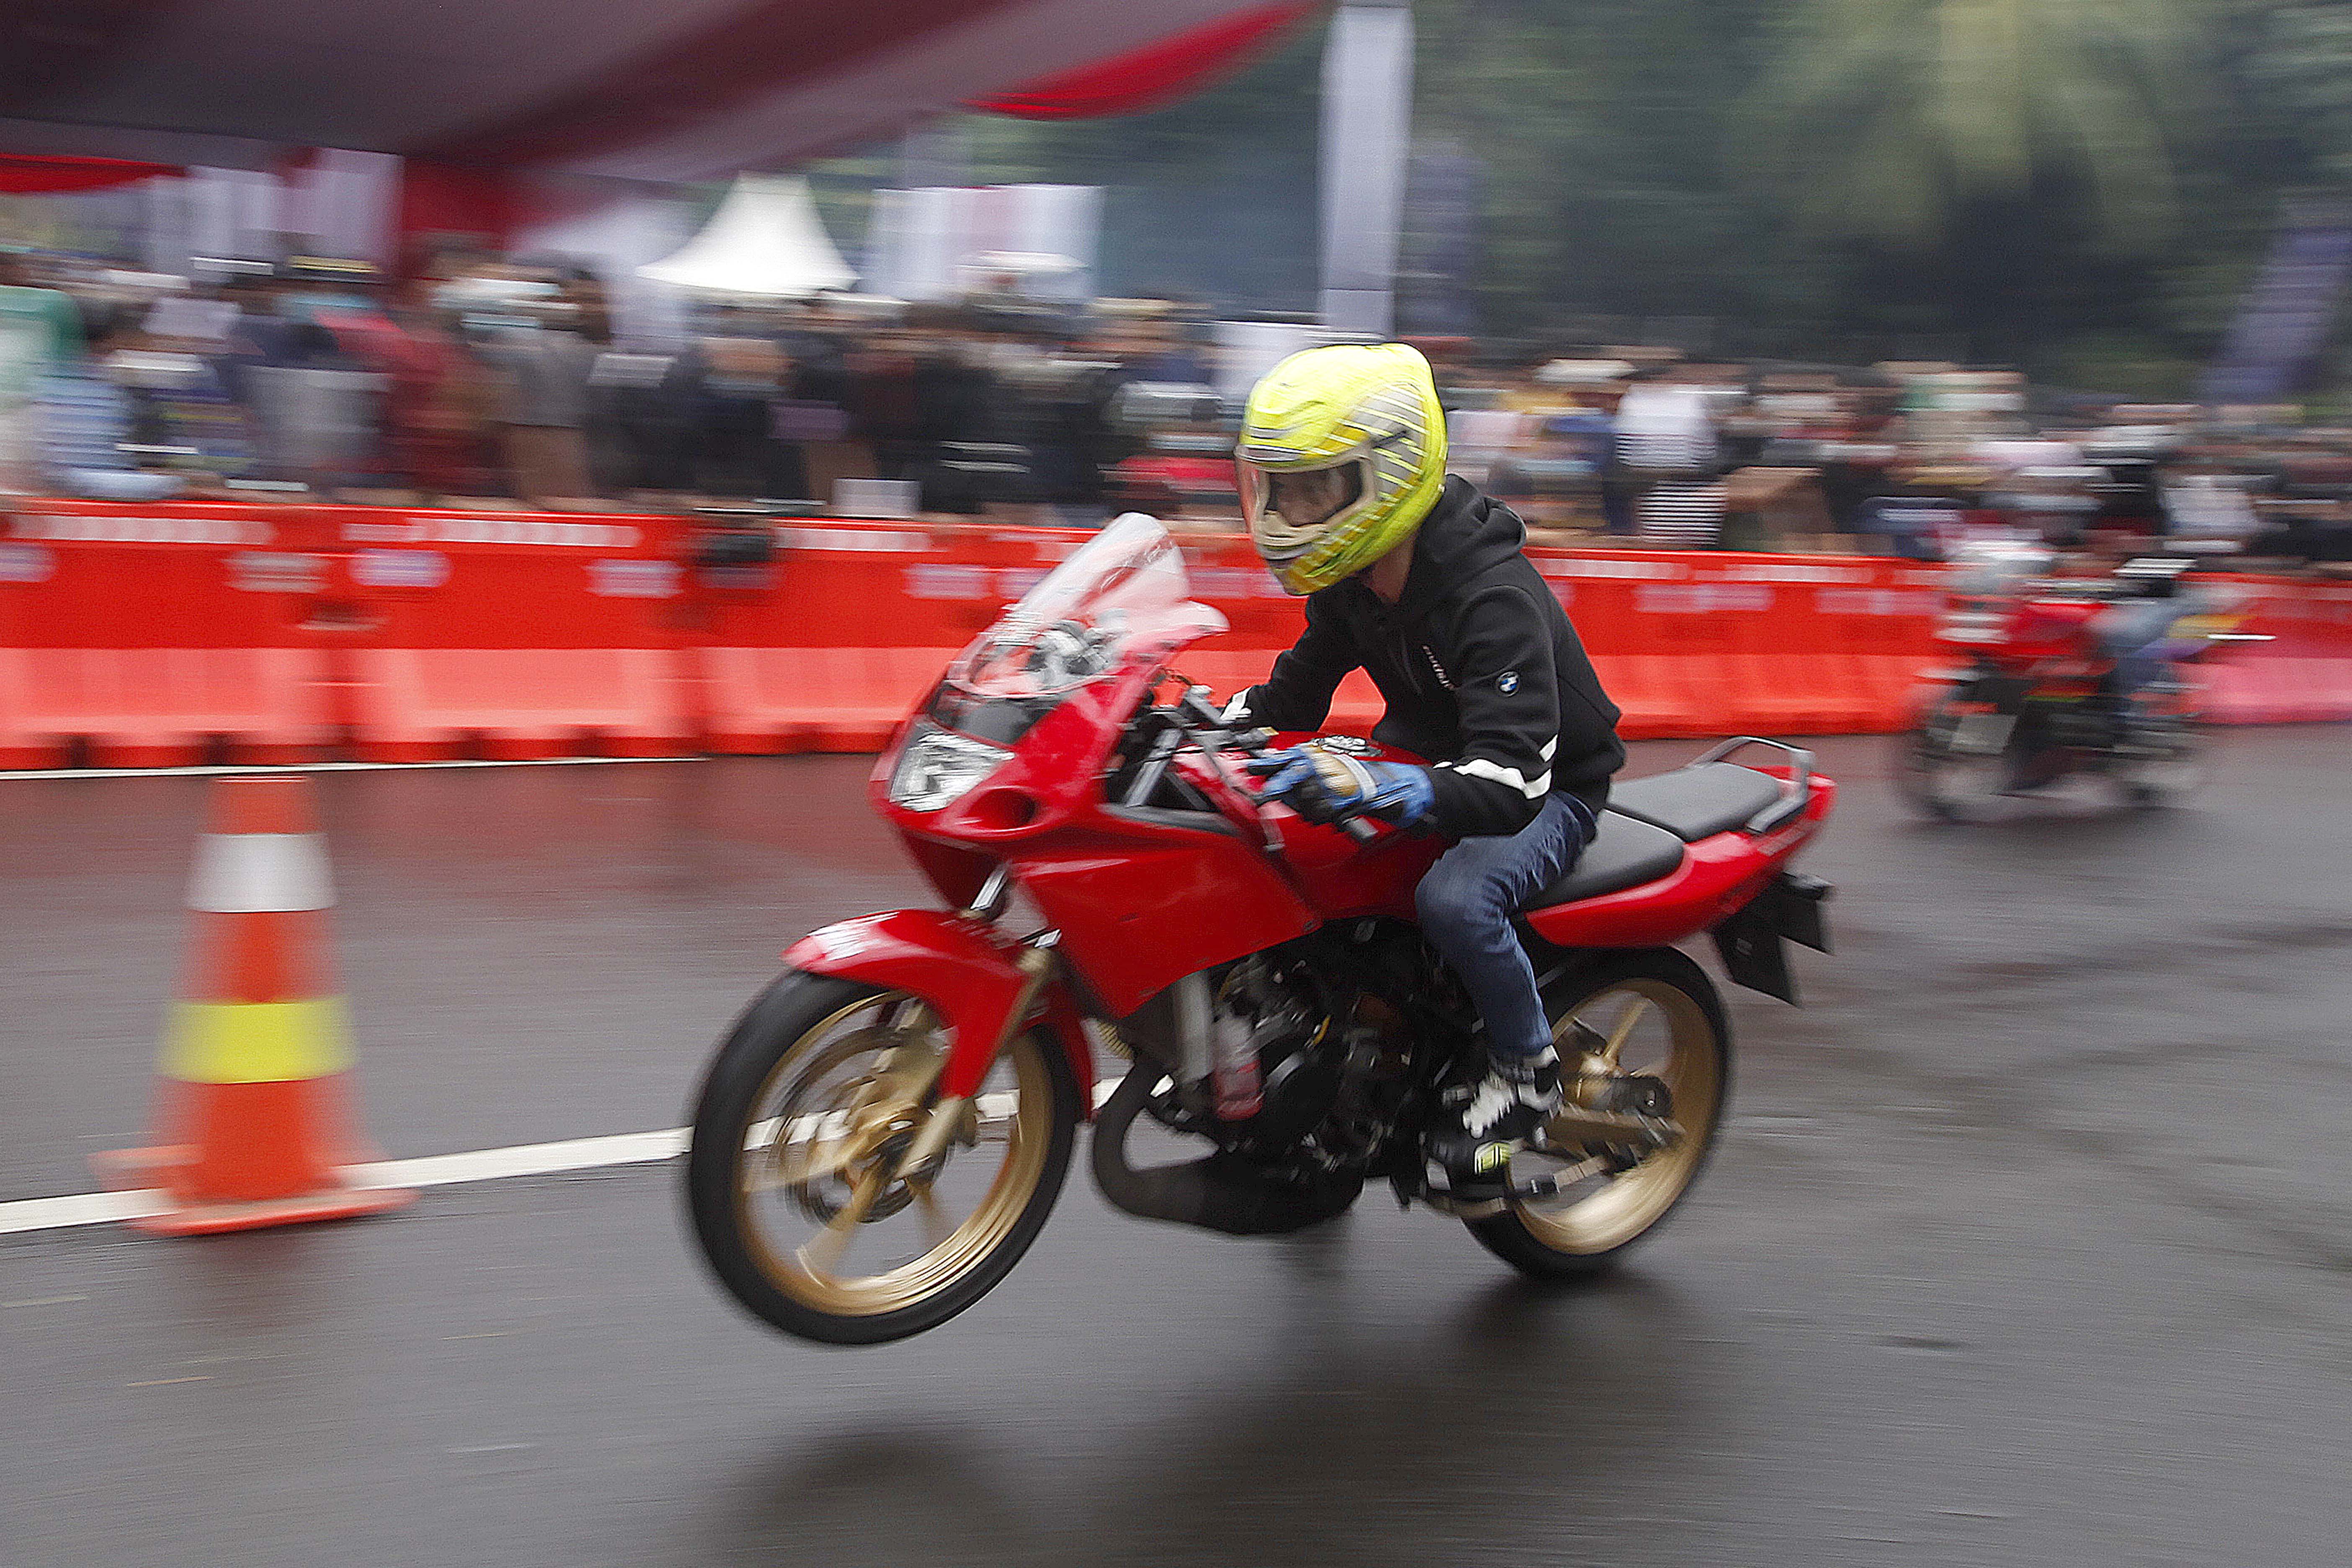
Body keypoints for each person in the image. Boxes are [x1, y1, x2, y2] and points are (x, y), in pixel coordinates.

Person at [1223, 343, 1626, 1198]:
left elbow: (1514, 784)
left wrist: (1382, 787)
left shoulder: (1491, 597)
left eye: (1313, 490)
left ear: (1391, 474)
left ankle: (1527, 1071)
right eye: (1280, 489)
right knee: (1288, 855)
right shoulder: (1355, 581)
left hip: (1547, 788)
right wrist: (1188, 722)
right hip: (1429, 759)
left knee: (1456, 899)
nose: (1289, 512)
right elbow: (1292, 701)